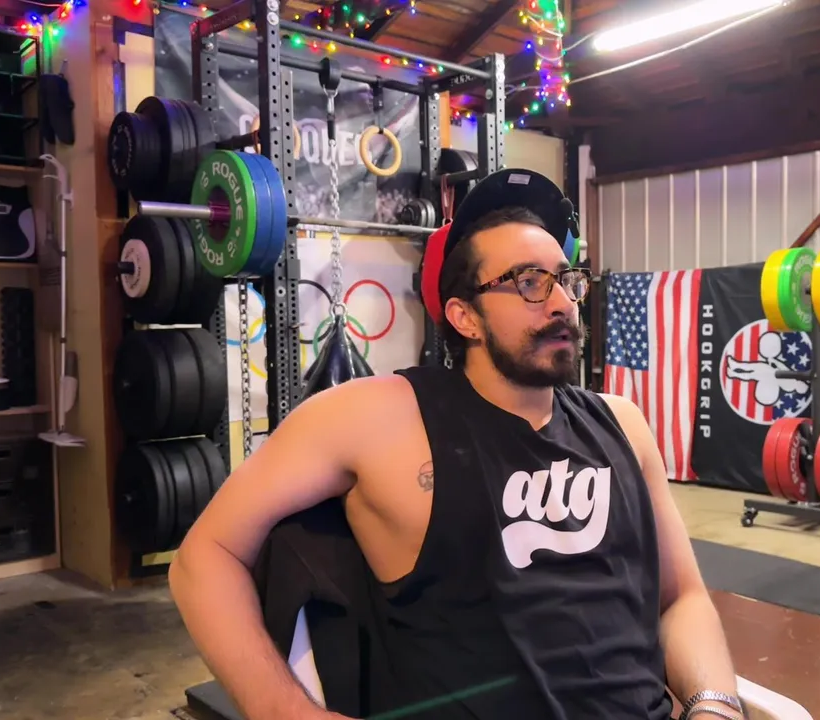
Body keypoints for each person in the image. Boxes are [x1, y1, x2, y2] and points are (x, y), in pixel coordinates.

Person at [169, 168, 746, 720]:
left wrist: (715, 706)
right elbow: (205, 557)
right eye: (529, 282)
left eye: (567, 280)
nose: (563, 302)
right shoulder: (375, 418)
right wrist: (286, 712)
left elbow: (681, 598)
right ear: (464, 317)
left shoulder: (623, 425)